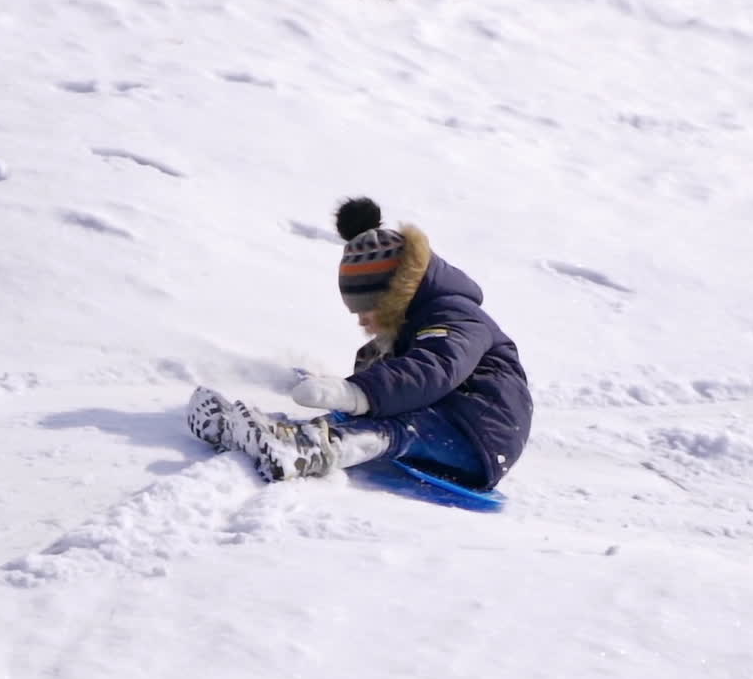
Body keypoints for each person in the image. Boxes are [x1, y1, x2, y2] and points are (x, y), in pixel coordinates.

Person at [186, 197, 532, 489]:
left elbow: (434, 369)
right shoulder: (412, 325)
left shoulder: (456, 316)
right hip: (449, 418)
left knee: (396, 426)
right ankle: (284, 433)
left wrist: (357, 393)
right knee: (366, 412)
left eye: (367, 309)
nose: (361, 320)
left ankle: (315, 450)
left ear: (393, 297)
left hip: (478, 435)